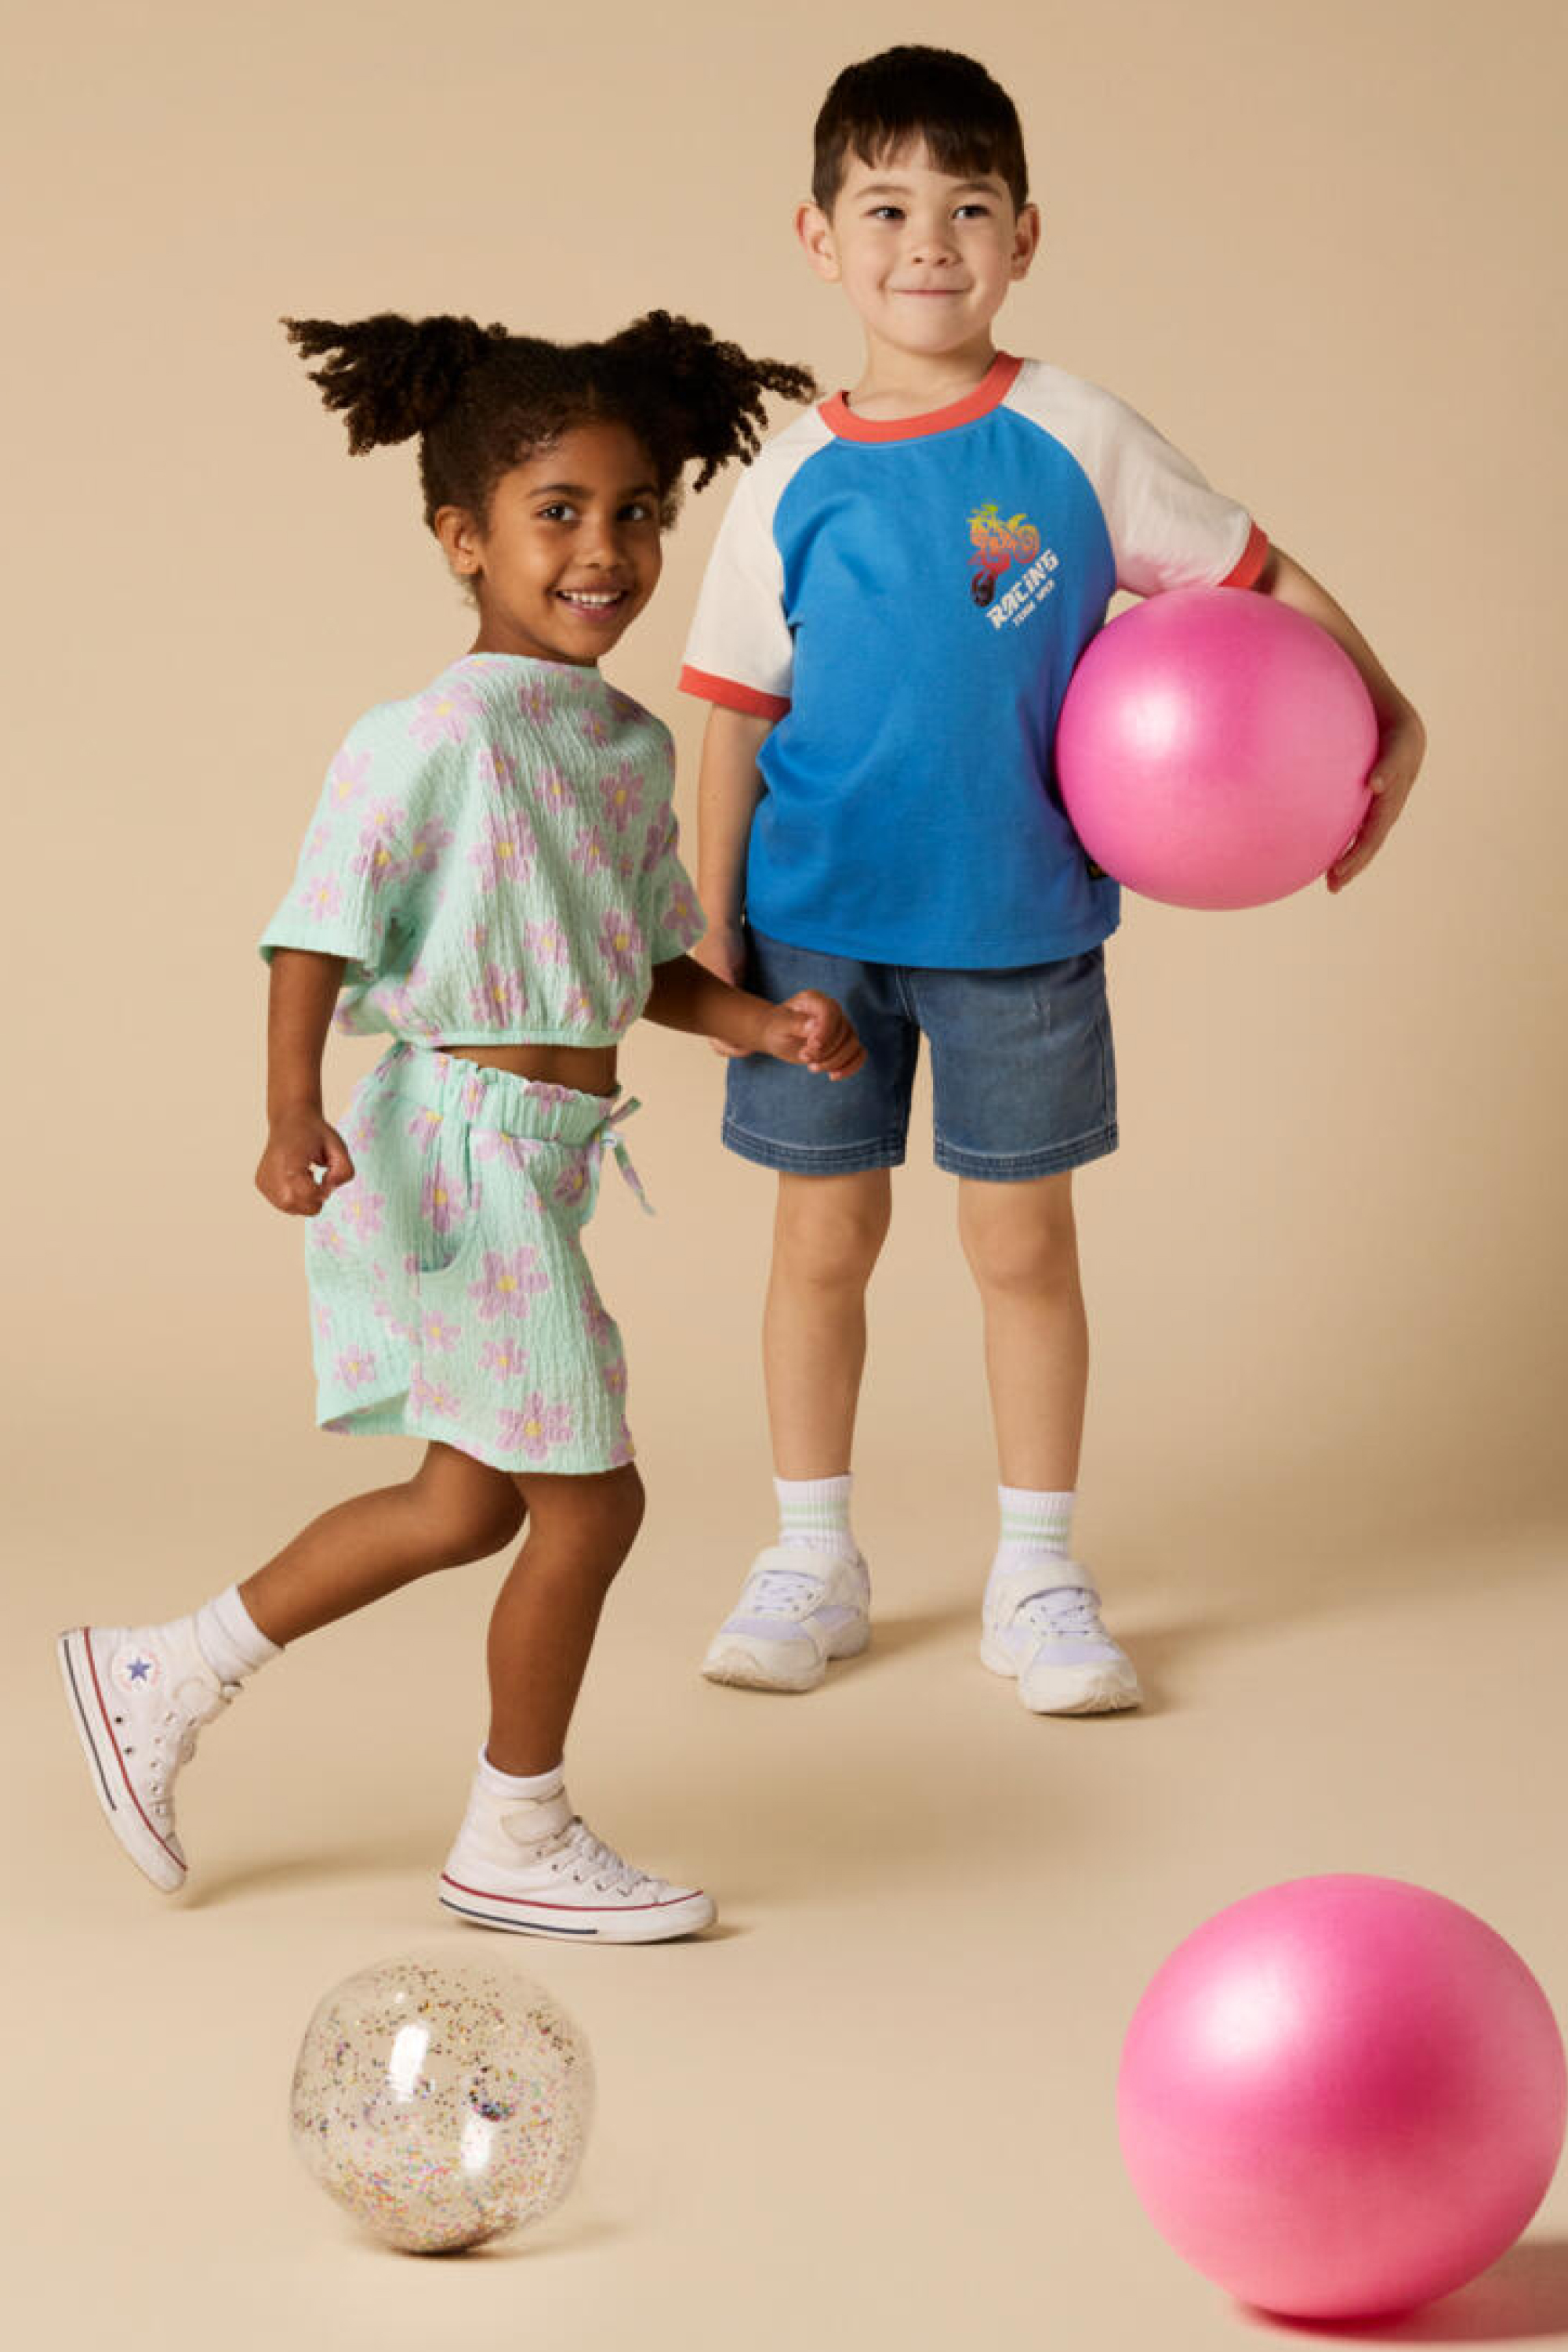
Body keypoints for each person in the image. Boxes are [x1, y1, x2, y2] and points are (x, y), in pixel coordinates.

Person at [56, 308, 862, 1943]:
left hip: (541, 1162)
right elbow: (315, 929)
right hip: (451, 1154)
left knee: (469, 1502)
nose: (604, 548)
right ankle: (516, 1830)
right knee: (593, 1502)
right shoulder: (429, 737)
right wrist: (290, 1109)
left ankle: (164, 1669)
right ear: (463, 538)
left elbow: (639, 962)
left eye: (637, 511)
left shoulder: (625, 745)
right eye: (557, 511)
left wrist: (761, 1023)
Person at [681, 47, 1425, 1712]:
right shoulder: (789, 476)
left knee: (1021, 1247)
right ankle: (810, 1557)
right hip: (813, 934)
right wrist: (709, 927)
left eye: (968, 208)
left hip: (1018, 929)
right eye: (887, 209)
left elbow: (1257, 573)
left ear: (1024, 235)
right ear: (818, 236)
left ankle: (1035, 1575)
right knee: (821, 1241)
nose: (927, 243)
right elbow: (732, 715)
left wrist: (1388, 707)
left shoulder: (1077, 434)